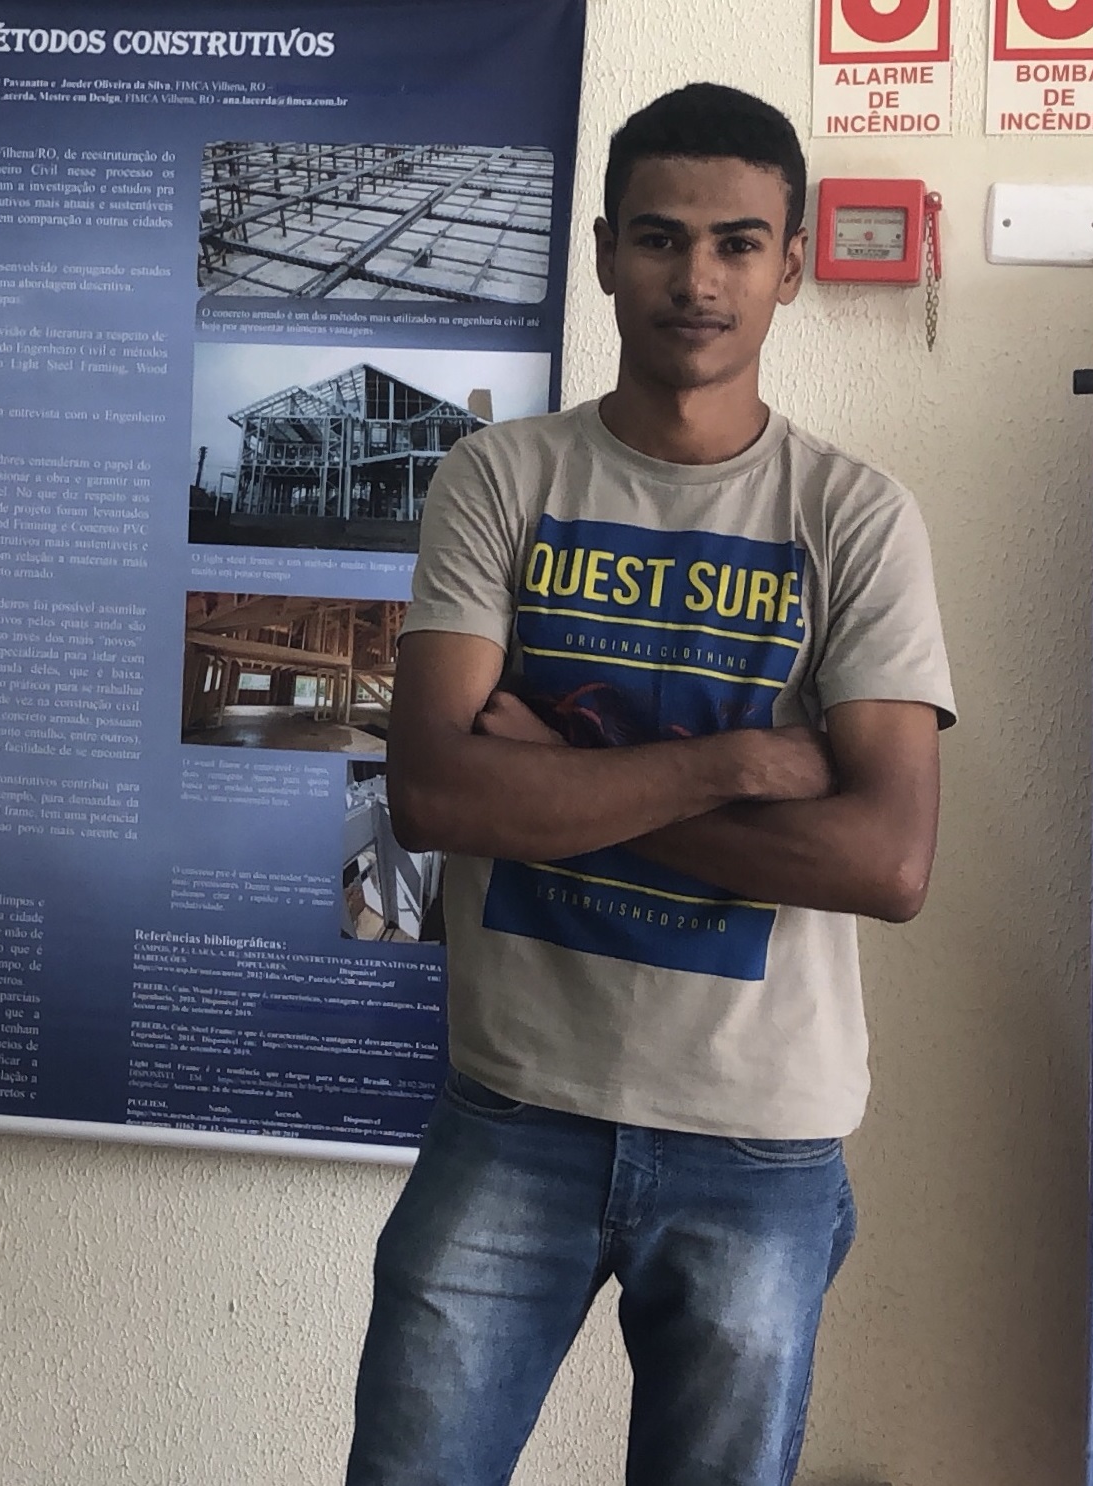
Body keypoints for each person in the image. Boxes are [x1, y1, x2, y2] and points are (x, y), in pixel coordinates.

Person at [344, 83, 954, 1486]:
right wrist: (733, 766)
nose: (697, 279)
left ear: (788, 264)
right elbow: (432, 796)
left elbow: (883, 861)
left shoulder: (851, 516)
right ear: (605, 250)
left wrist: (561, 782)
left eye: (737, 243)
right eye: (662, 237)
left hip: (759, 1137)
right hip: (513, 1106)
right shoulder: (499, 477)